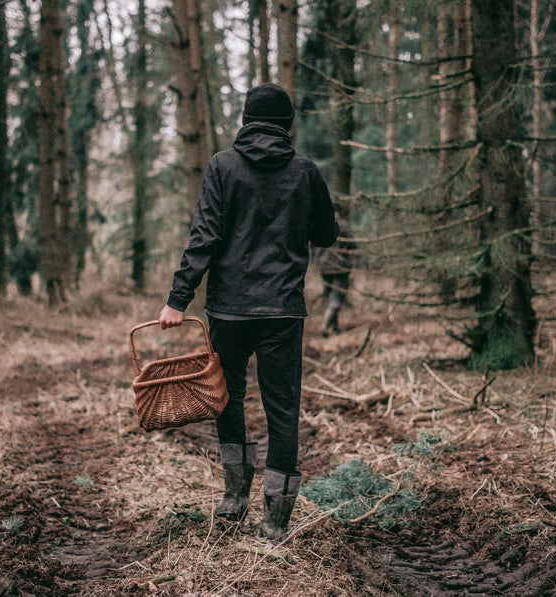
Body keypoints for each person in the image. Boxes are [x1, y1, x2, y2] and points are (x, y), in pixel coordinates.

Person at [158, 83, 339, 540]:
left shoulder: (223, 166)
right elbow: (326, 234)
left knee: (228, 397)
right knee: (283, 409)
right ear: (287, 125)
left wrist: (178, 299)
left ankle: (234, 496)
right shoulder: (304, 171)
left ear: (245, 120)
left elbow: (204, 236)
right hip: (282, 310)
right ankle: (275, 522)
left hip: (229, 310)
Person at [313, 204, 355, 337]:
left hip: (323, 267)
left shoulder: (318, 225)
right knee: (337, 298)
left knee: (329, 294)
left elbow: (311, 246)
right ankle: (325, 326)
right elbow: (353, 246)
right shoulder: (343, 225)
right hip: (340, 268)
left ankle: (334, 327)